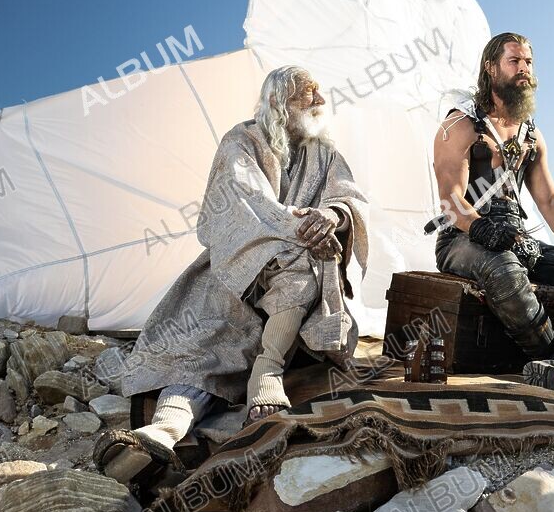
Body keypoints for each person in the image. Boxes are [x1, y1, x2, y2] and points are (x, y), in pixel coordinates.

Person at [95, 66, 368, 483]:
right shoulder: (242, 141)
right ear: (278, 103)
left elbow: (347, 198)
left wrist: (330, 217)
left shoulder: (326, 154)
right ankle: (160, 433)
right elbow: (244, 204)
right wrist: (299, 228)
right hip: (236, 275)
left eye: (319, 93)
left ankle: (268, 370)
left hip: (299, 284)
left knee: (306, 266)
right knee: (201, 353)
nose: (319, 101)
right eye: (306, 95)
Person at [430, 32, 554, 401]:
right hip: (461, 238)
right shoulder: (460, 126)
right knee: (505, 267)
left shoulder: (531, 135)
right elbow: (450, 200)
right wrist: (480, 228)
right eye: (514, 61)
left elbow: (549, 201)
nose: (524, 70)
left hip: (515, 237)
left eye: (528, 63)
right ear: (491, 68)